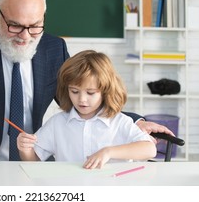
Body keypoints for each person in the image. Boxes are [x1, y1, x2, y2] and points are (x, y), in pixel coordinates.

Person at [0, 0, 170, 167]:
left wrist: (135, 121)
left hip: (31, 160)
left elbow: (81, 97)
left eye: (35, 26)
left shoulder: (54, 48)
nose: (25, 36)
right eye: (15, 26)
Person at [17, 50, 157, 169]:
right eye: (74, 91)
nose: (82, 99)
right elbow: (33, 161)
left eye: (90, 93)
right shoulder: (57, 123)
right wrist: (25, 149)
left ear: (105, 91)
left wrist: (108, 152)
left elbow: (150, 149)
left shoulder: (119, 121)